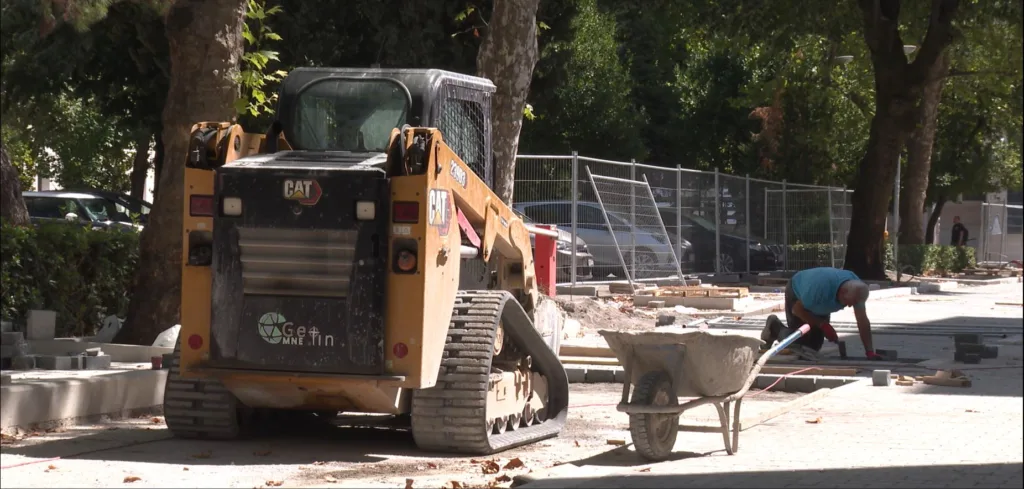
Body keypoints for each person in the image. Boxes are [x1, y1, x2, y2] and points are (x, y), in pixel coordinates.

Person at [761, 267, 881, 361]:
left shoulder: (856, 290)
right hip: (797, 291)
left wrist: (869, 351)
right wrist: (822, 324)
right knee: (798, 343)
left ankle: (799, 335)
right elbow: (797, 310)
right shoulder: (816, 292)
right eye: (848, 302)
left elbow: (862, 320)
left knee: (813, 347)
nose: (849, 306)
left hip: (819, 300)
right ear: (843, 292)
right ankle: (775, 327)